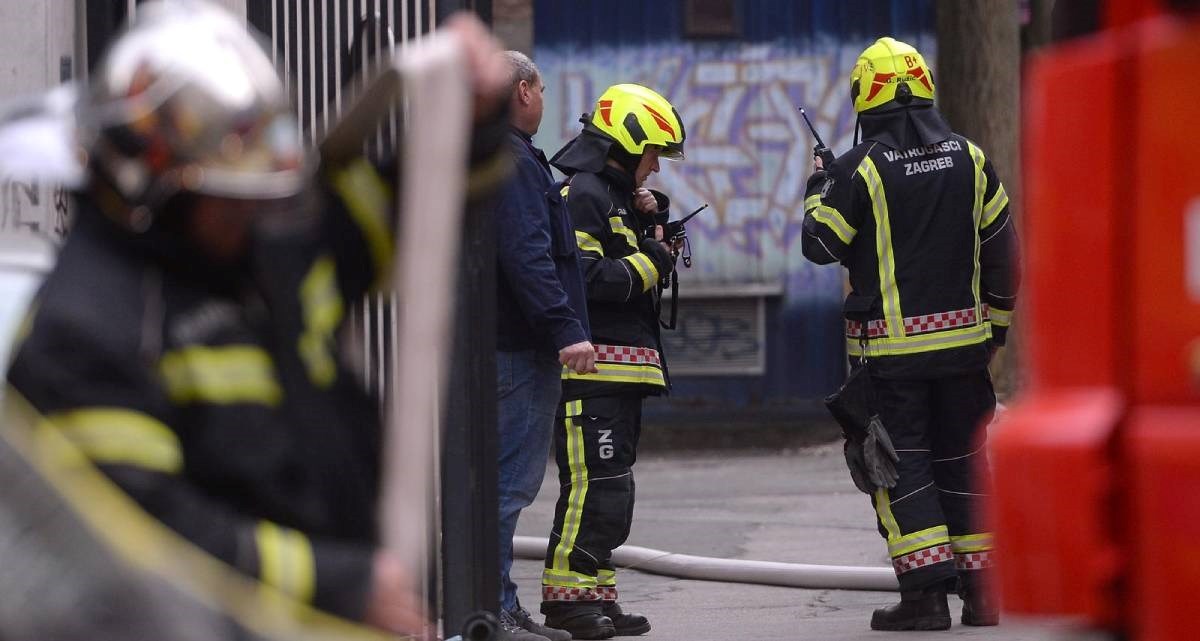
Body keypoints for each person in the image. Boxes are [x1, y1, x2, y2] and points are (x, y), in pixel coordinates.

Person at [4, 1, 510, 636]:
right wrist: (340, 582)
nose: (253, 219)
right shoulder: (85, 333)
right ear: (151, 185)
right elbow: (139, 538)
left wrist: (473, 123)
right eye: (229, 199)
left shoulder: (253, 256)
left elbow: (398, 219)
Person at [800, 37, 1019, 631]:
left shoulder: (859, 167)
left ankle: (923, 601)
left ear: (864, 99)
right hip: (964, 353)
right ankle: (983, 596)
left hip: (890, 360)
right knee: (967, 463)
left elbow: (820, 246)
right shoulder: (971, 159)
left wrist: (820, 187)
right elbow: (1003, 253)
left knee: (899, 467)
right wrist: (994, 330)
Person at [538, 83, 685, 640]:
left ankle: (595, 593)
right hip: (591, 374)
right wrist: (654, 259)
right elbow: (589, 280)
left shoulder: (613, 195)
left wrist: (653, 222)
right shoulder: (585, 195)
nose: (655, 168)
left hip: (620, 373)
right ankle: (567, 600)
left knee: (611, 489)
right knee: (592, 486)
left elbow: (622, 257)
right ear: (627, 143)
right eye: (653, 154)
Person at [493, 50, 594, 641]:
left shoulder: (492, 156)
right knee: (507, 487)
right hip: (519, 351)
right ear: (526, 90)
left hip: (501, 345)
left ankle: (494, 604)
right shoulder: (512, 161)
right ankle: (491, 611)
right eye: (542, 89)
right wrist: (565, 329)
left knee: (500, 485)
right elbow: (528, 254)